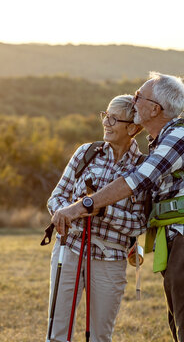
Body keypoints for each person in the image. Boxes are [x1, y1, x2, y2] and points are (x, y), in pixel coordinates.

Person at [51, 72, 184, 342]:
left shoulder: (177, 137)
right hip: (178, 240)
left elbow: (137, 181)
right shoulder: (160, 139)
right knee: (182, 324)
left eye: (139, 96)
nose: (134, 100)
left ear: (154, 108)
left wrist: (83, 206)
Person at [46, 95, 147, 342]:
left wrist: (102, 210)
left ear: (132, 128)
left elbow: (138, 223)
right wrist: (63, 214)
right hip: (69, 250)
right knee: (56, 334)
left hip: (110, 259)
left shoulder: (142, 167)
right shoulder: (86, 152)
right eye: (105, 116)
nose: (107, 123)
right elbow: (56, 198)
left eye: (114, 119)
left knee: (100, 336)